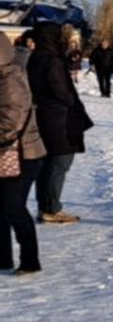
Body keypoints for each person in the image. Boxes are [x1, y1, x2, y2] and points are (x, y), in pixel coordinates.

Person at [26, 21, 89, 223]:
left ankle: (45, 206)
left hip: (43, 114)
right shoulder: (52, 60)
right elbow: (60, 90)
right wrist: (73, 103)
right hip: (59, 117)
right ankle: (51, 209)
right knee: (60, 162)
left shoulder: (35, 58)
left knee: (46, 164)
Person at [0, 40, 47, 273]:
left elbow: (11, 123)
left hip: (24, 154)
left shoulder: (11, 81)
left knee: (14, 206)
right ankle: (3, 258)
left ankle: (30, 261)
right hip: (9, 154)